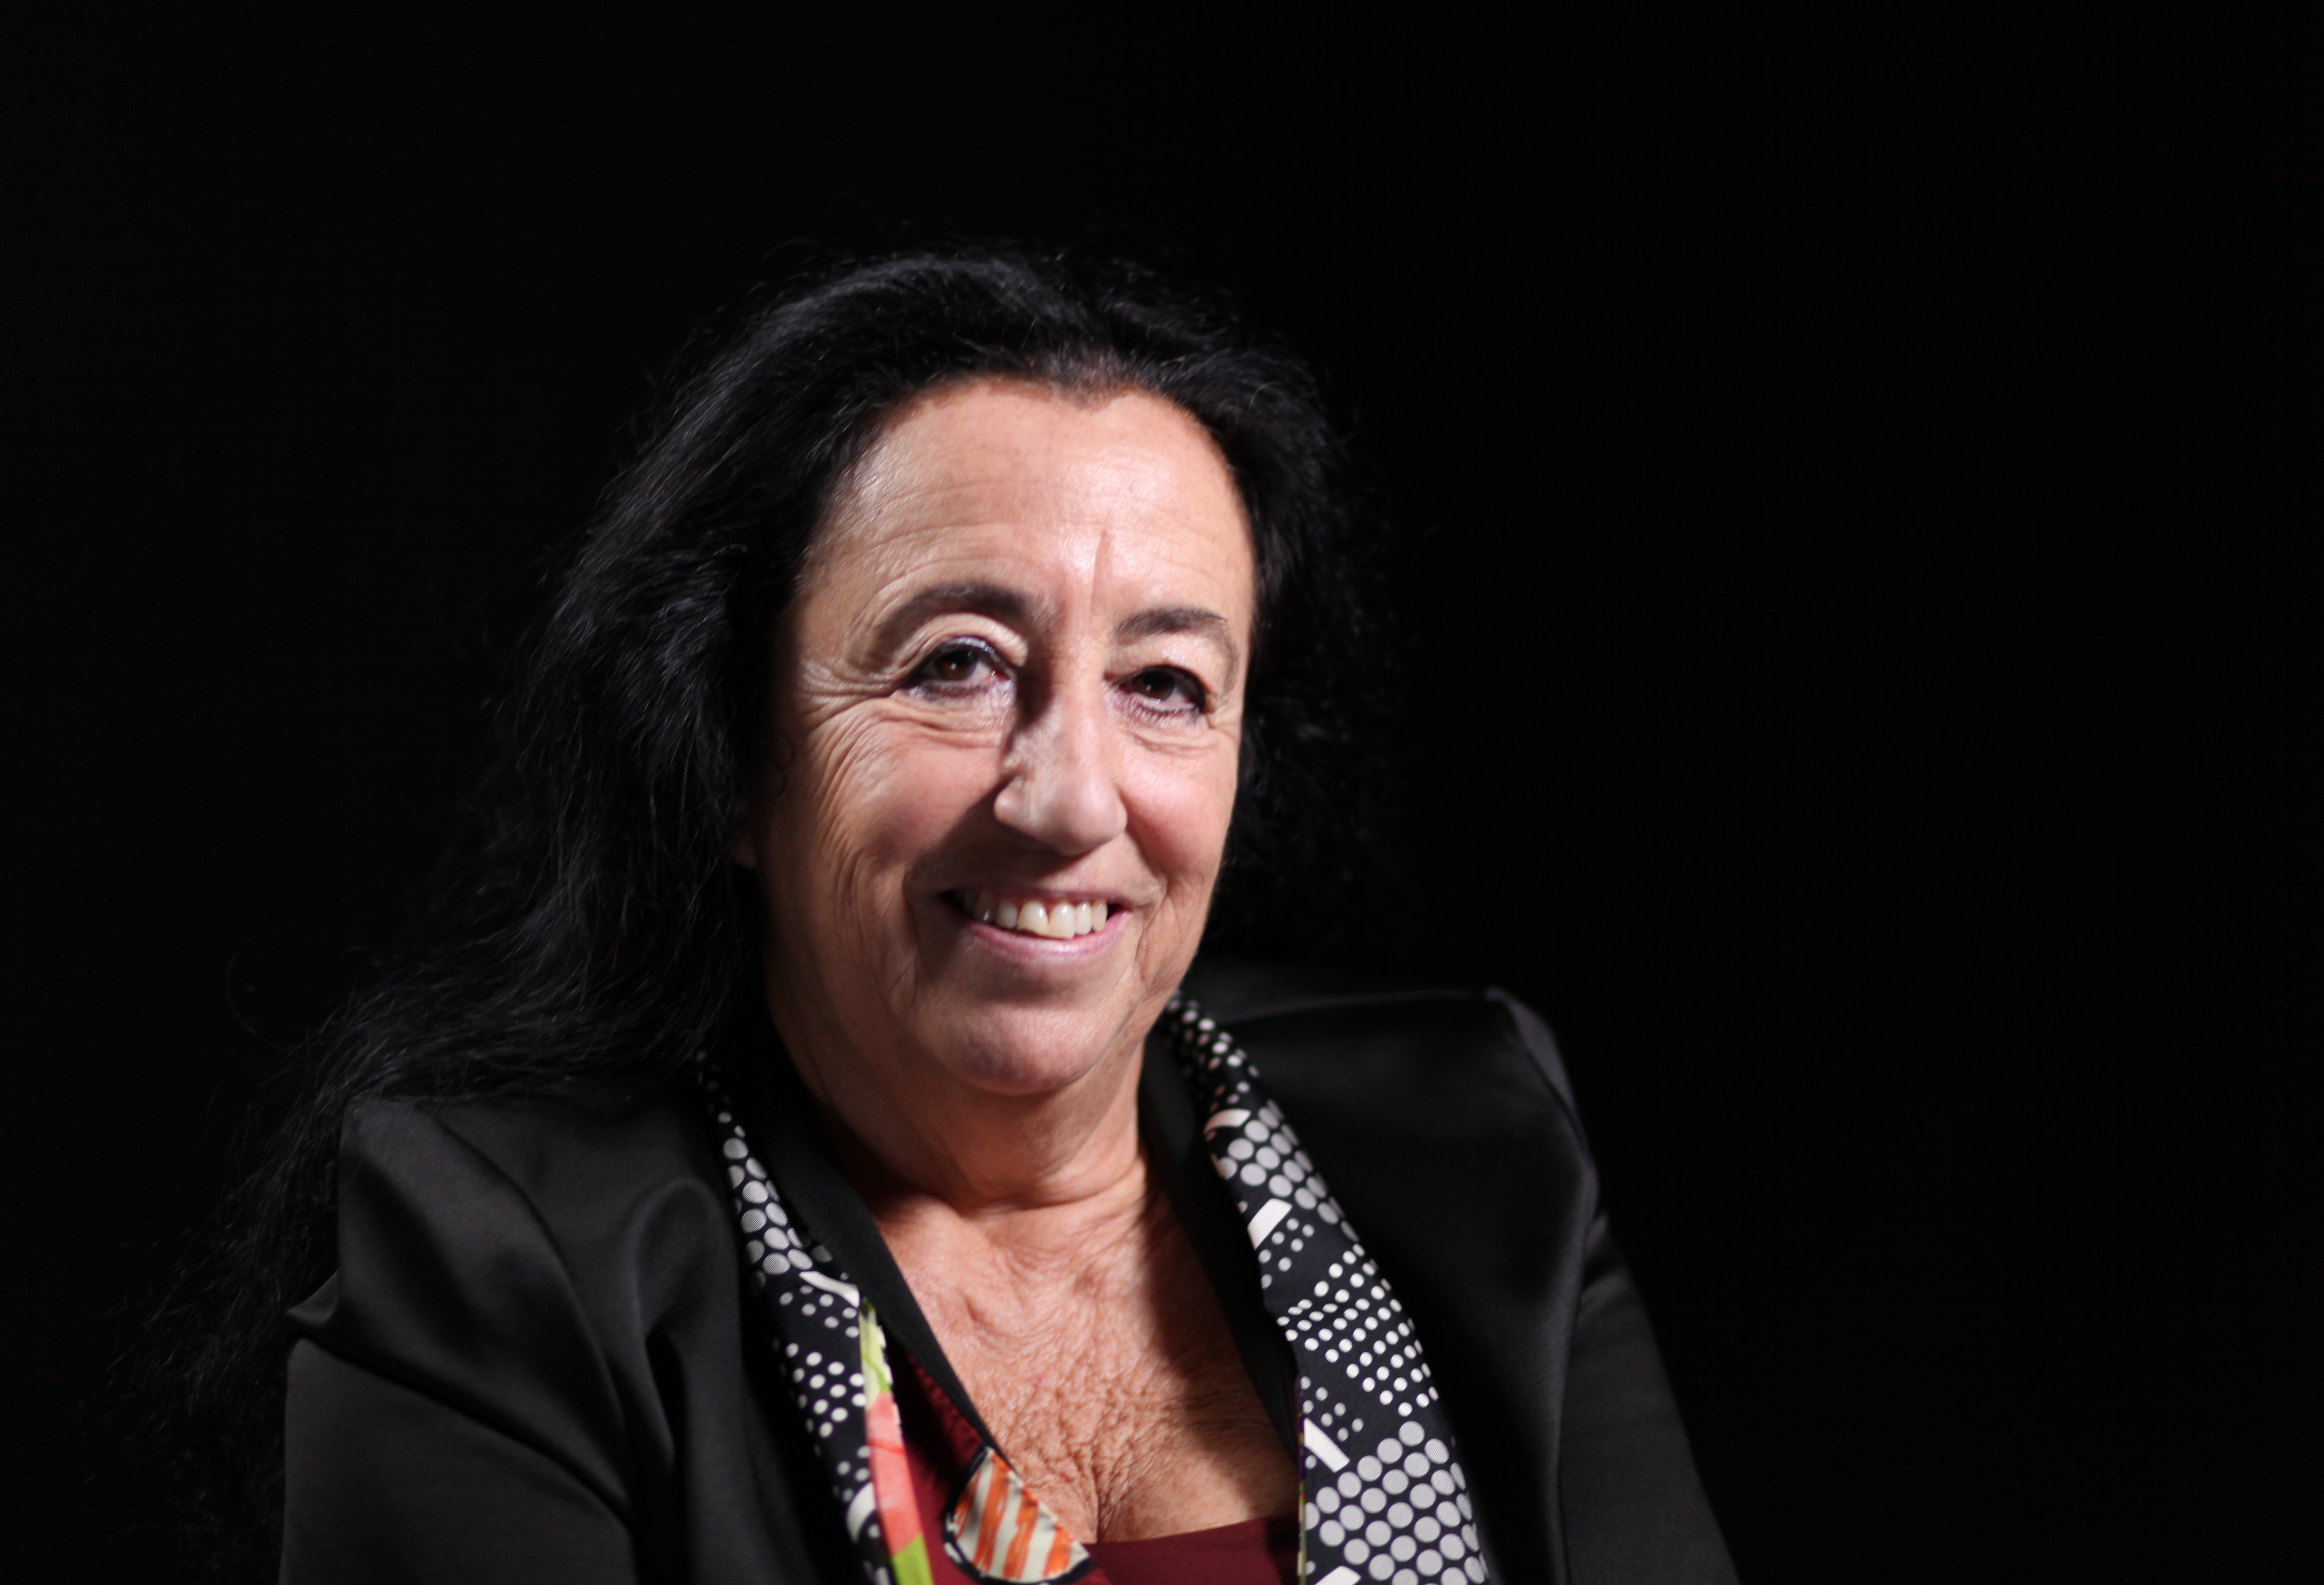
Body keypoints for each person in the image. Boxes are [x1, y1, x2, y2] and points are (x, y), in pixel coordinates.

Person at [205, 251, 1733, 1584]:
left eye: (1165, 685)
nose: (1071, 801)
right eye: (958, 664)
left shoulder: (1477, 1145)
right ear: (733, 758)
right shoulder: (502, 1264)